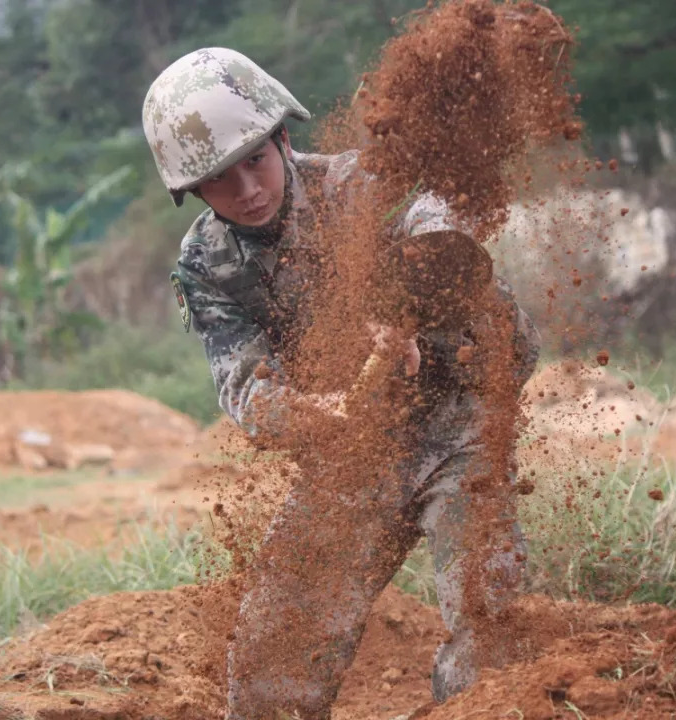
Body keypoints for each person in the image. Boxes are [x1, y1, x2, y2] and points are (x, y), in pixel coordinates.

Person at [143, 48, 540, 719]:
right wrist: (312, 414)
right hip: (353, 450)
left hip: (460, 425)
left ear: (283, 140)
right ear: (191, 191)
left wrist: (411, 305)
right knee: (274, 654)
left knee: (488, 630)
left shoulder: (364, 187)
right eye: (218, 179)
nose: (246, 189)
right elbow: (244, 387)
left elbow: (443, 233)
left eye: (255, 160)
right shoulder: (206, 264)